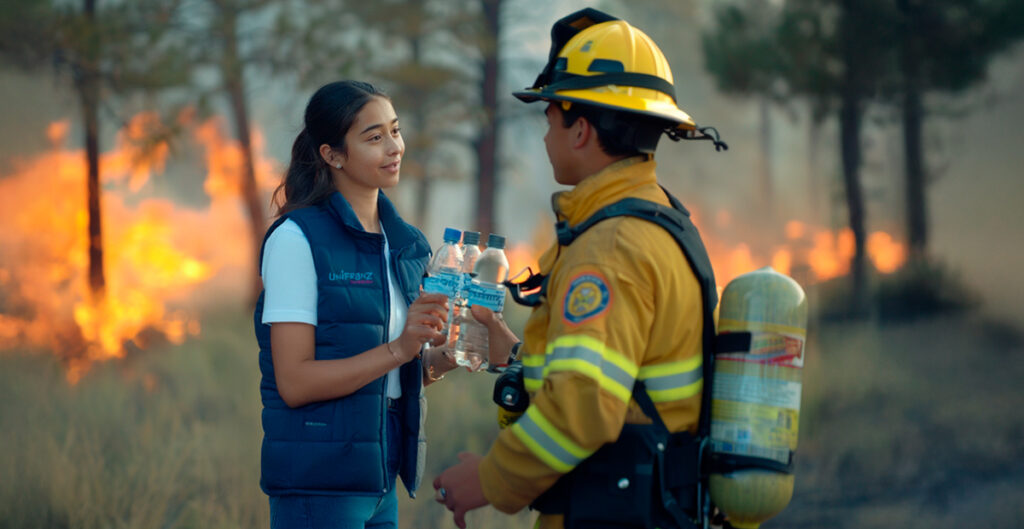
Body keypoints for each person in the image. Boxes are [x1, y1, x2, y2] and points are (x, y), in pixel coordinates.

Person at [433, 8, 726, 529]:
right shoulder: (658, 220)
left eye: (550, 120)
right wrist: (518, 358)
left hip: (612, 515)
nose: (546, 137)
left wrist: (489, 480)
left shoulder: (609, 247)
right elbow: (617, 374)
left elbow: (585, 405)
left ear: (581, 130)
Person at [254, 80, 459, 529]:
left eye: (395, 131)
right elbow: (294, 381)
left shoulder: (404, 244)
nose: (394, 147)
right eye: (374, 137)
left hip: (381, 476)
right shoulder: (296, 240)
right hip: (320, 484)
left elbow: (393, 371)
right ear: (332, 155)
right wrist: (401, 349)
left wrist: (446, 358)